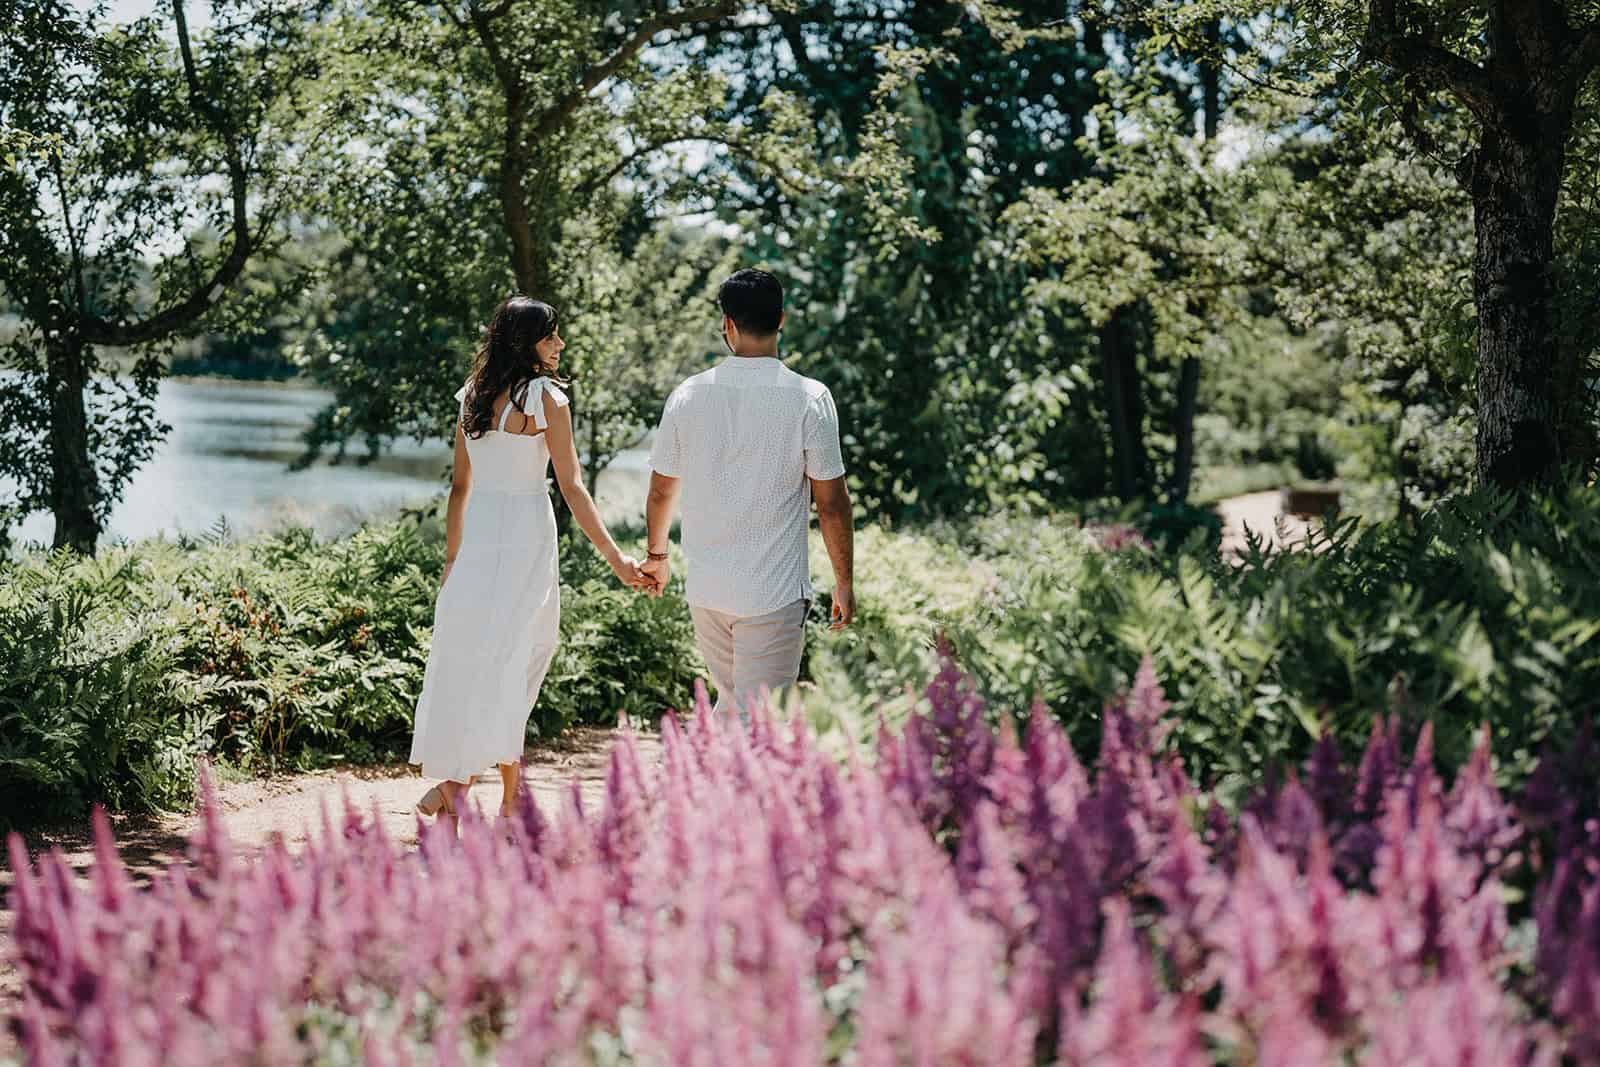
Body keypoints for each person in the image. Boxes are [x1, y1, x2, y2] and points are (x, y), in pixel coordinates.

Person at [410, 296, 648, 828]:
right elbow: (573, 489)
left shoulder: (473, 396)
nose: (560, 344)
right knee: (516, 656)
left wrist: (452, 558)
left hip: (480, 536)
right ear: (525, 343)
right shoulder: (547, 400)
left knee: (478, 656)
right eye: (550, 336)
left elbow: (460, 489)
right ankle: (475, 790)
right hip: (522, 535)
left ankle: (468, 788)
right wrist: (616, 558)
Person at [642, 268, 854, 720]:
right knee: (761, 725)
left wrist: (656, 557)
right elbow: (832, 504)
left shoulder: (688, 395)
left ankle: (699, 787)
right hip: (773, 593)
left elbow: (662, 490)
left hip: (708, 590)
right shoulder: (809, 397)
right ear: (782, 319)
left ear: (727, 324)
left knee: (733, 709)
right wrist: (844, 581)